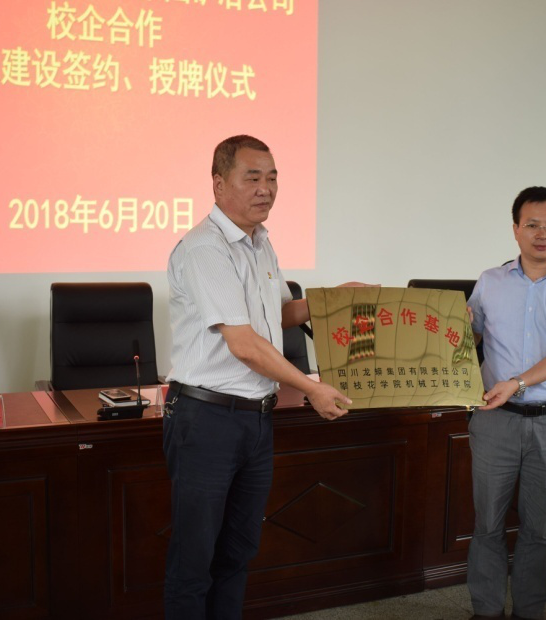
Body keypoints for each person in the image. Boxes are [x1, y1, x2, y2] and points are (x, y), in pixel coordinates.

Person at [163, 135, 354, 619]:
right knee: (195, 559)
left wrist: (335, 300)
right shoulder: (205, 248)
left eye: (272, 178)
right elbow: (245, 343)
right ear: (218, 184)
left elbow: (277, 316)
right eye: (252, 178)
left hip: (255, 419)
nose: (265, 188)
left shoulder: (260, 243)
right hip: (207, 419)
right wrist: (311, 388)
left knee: (238, 550)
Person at [465, 187, 546, 620]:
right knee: (487, 524)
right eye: (532, 225)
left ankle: (530, 610)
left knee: (539, 528)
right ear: (516, 230)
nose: (542, 234)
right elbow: (469, 340)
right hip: (494, 421)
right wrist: (453, 326)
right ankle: (486, 610)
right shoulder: (490, 281)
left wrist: (517, 383)